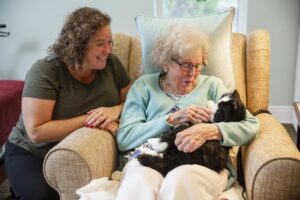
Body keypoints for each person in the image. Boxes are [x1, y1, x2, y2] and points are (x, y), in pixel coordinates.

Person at [115, 24, 259, 200]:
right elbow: (125, 138)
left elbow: (251, 125)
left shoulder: (212, 86)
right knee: (139, 181)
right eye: (186, 65)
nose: (193, 73)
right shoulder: (144, 87)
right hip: (151, 158)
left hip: (200, 164)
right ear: (166, 62)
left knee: (180, 180)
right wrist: (170, 119)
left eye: (198, 65)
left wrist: (211, 131)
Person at [4, 7, 131, 200]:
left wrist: (115, 110)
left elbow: (133, 101)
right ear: (79, 45)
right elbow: (37, 132)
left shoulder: (112, 64)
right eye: (100, 44)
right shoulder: (46, 71)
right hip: (32, 152)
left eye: (109, 42)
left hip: (74, 152)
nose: (108, 50)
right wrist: (91, 119)